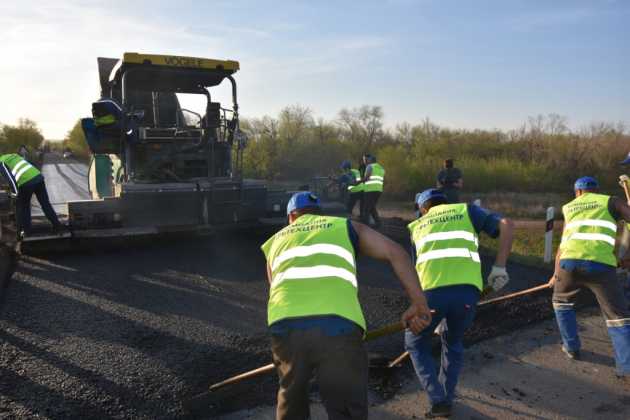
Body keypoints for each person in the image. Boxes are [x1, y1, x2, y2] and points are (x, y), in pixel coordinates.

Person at [261, 191, 433, 420]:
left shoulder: (275, 242)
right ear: (319, 213)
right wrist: (419, 304)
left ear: (291, 217)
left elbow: (275, 287)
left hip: (286, 326)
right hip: (339, 327)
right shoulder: (344, 227)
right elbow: (397, 253)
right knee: (346, 406)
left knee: (291, 397)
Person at [406, 188, 513, 418]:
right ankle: (447, 394)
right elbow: (505, 224)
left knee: (415, 343)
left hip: (431, 296)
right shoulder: (467, 211)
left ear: (423, 208)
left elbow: (415, 272)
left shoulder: (416, 226)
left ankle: (437, 400)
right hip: (467, 294)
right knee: (452, 342)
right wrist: (500, 267)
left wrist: (420, 306)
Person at [548, 177, 630, 378]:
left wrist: (555, 273)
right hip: (600, 265)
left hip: (568, 263)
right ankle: (625, 367)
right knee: (617, 316)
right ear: (596, 190)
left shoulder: (569, 207)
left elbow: (564, 242)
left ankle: (571, 347)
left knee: (561, 303)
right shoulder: (611, 201)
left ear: (577, 192)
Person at [0, 153, 62, 235]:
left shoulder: (1, 163)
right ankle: (57, 226)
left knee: (23, 206)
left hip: (26, 183)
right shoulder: (13, 155)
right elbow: (28, 164)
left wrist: (15, 195)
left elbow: (11, 179)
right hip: (38, 177)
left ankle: (25, 232)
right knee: (45, 204)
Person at [361, 154, 385, 228]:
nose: (366, 161)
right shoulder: (381, 168)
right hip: (378, 191)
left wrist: (357, 182)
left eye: (367, 160)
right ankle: (378, 223)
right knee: (371, 207)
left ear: (370, 160)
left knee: (366, 208)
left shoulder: (370, 166)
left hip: (370, 190)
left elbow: (366, 178)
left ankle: (365, 224)